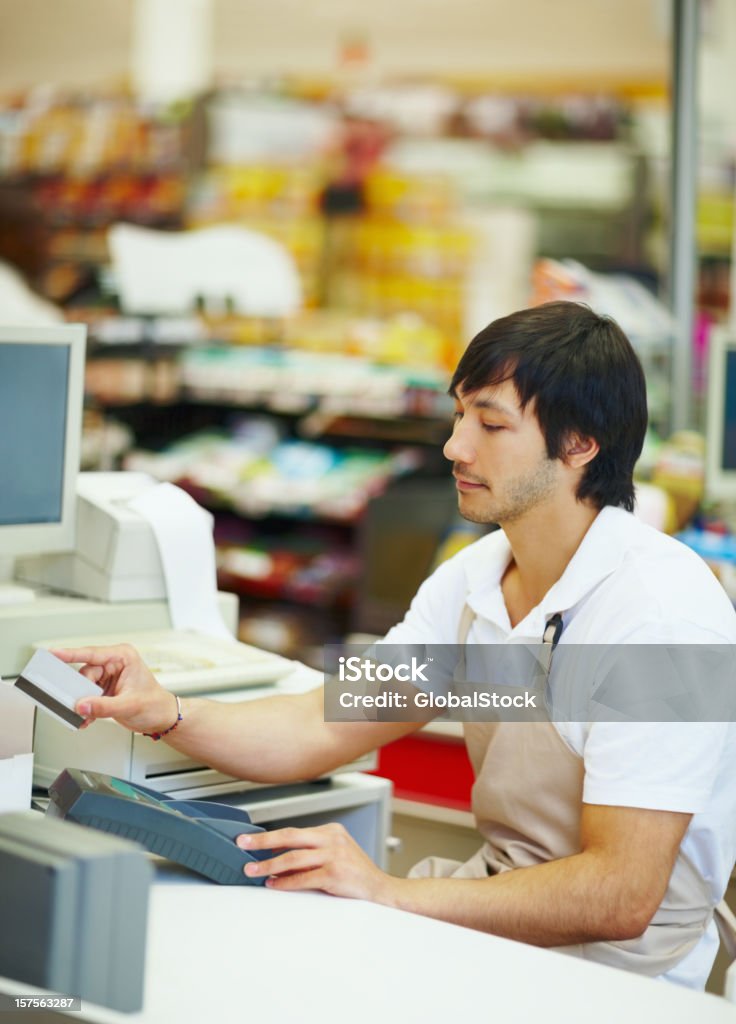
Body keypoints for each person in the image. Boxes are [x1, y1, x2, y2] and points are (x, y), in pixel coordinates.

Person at [55, 301, 736, 990]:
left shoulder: (663, 617)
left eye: (492, 424)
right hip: (496, 931)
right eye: (459, 414)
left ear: (580, 444)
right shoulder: (476, 579)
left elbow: (621, 894)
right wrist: (166, 710)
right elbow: (319, 721)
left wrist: (385, 890)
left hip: (628, 982)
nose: (456, 447)